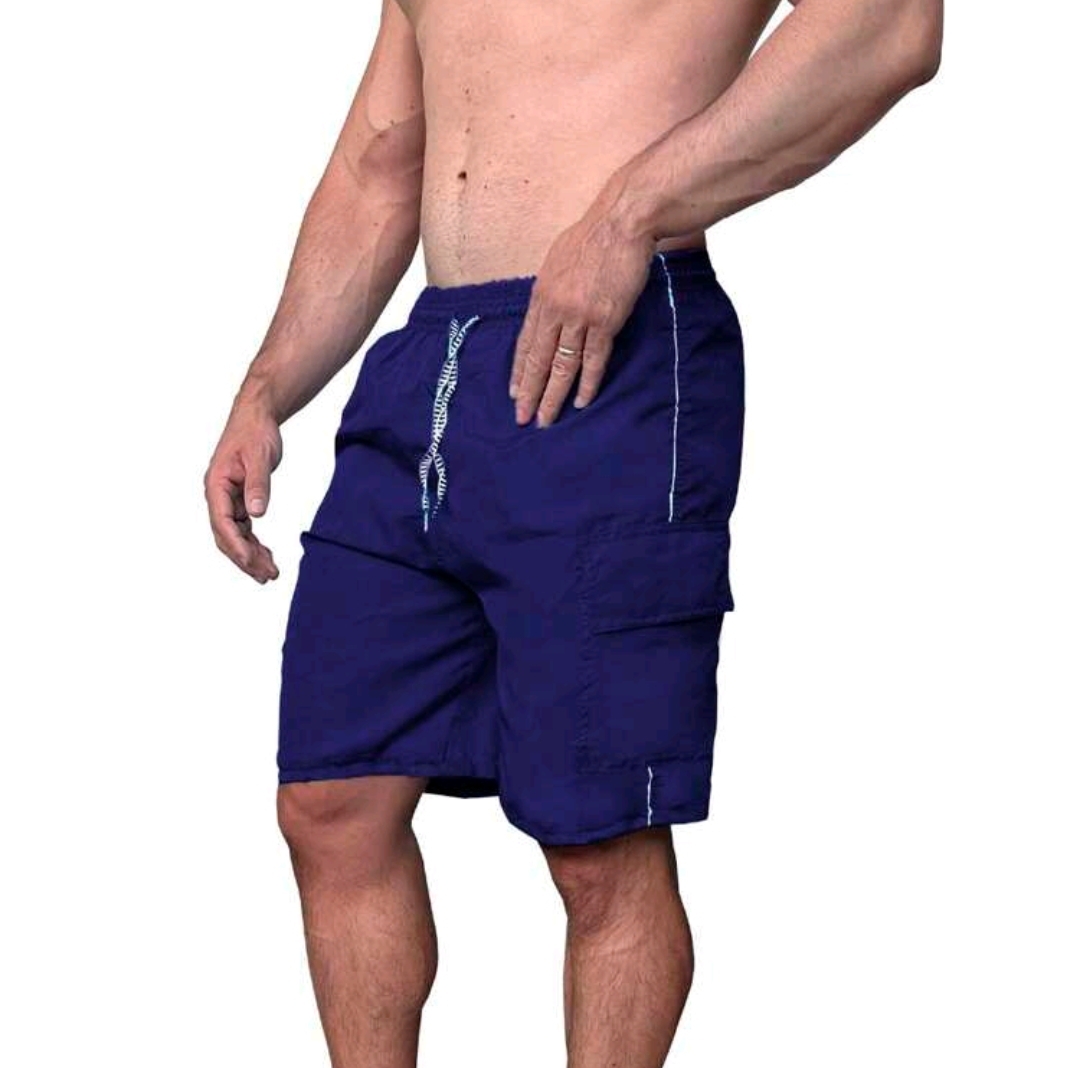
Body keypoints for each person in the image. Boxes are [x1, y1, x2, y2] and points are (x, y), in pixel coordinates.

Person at [204, 0, 941, 1064]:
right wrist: (267, 387)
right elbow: (380, 168)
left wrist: (629, 213)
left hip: (614, 349)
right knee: (333, 797)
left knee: (598, 837)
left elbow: (892, 26)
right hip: (430, 361)